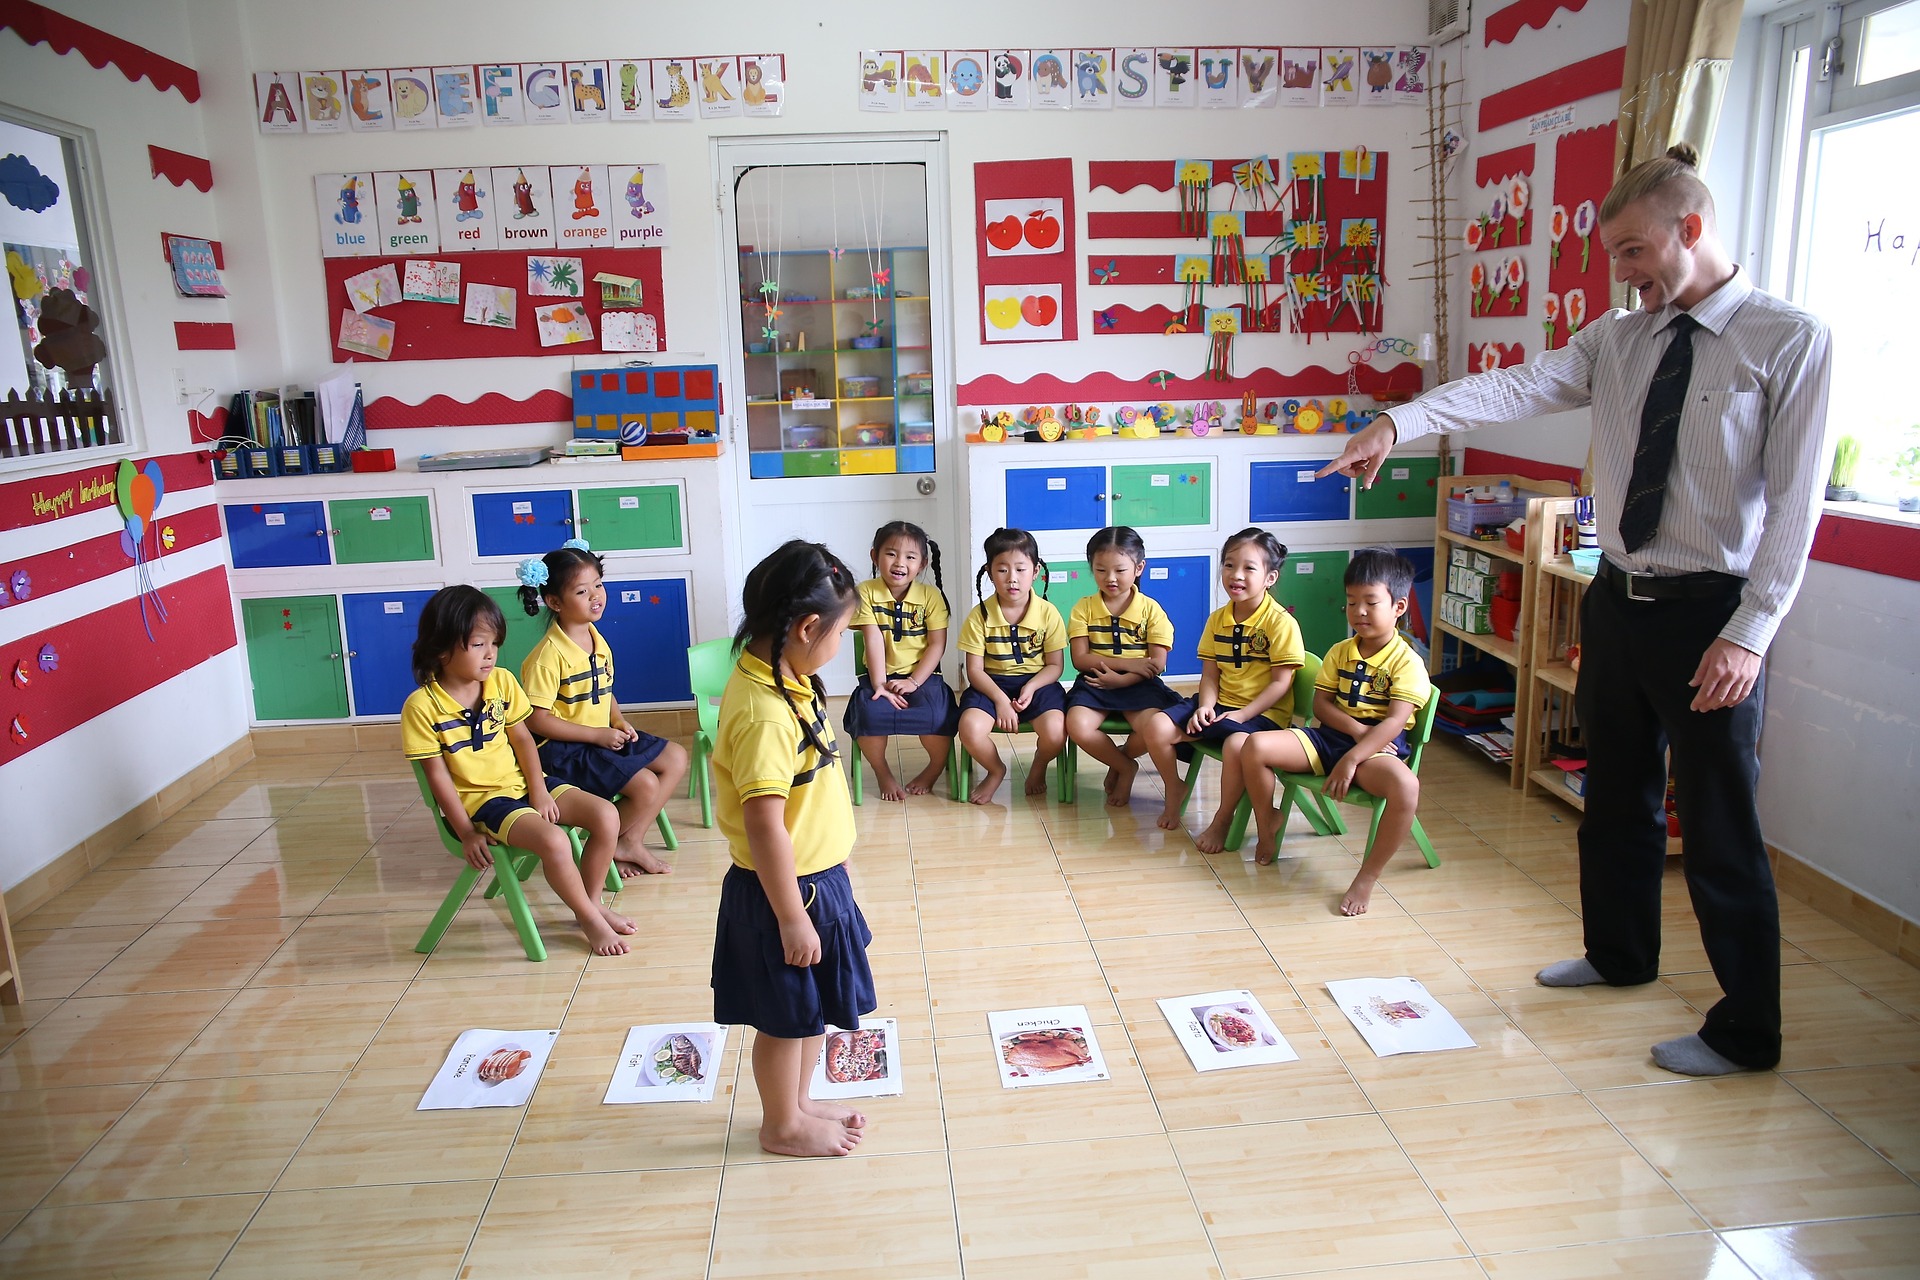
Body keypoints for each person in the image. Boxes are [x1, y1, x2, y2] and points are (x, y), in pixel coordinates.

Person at [1319, 144, 1832, 1074]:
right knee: (1616, 797)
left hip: (1710, 611)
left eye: (1635, 252)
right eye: (1615, 257)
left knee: (1718, 826)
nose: (1623, 274)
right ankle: (1621, 954)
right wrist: (1400, 422)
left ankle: (1747, 1031)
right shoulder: (1619, 338)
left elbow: (1797, 509)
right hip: (1617, 601)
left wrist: (1750, 633)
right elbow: (1511, 385)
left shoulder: (1788, 339)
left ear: (1692, 228)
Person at [710, 540, 876, 1157]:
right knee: (784, 1018)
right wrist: (791, 915)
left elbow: (810, 797)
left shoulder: (789, 679)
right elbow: (764, 826)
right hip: (783, 893)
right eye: (841, 634)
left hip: (815, 879)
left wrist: (836, 862)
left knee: (810, 1010)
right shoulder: (764, 714)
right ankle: (781, 1123)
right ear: (807, 627)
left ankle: (799, 1104)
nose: (842, 646)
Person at [401, 585, 631, 956]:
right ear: (441, 649)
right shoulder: (422, 707)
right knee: (555, 841)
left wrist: (539, 790)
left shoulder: (502, 681)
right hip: (484, 803)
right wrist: (464, 833)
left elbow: (524, 741)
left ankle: (591, 903)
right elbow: (437, 777)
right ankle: (589, 918)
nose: (490, 654)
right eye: (478, 645)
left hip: (527, 784)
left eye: (494, 643)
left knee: (606, 814)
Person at [1241, 550, 1430, 913]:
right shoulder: (1340, 651)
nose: (1358, 611)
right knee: (1255, 746)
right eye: (1351, 602)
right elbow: (1321, 706)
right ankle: (1268, 825)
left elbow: (1393, 723)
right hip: (1331, 737)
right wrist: (1354, 731)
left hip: (1376, 750)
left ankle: (1367, 877)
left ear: (1399, 606)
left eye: (1370, 602)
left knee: (1406, 786)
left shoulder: (1407, 662)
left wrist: (1353, 758)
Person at [517, 542, 690, 876]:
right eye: (582, 591)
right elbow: (536, 720)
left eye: (598, 584)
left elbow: (604, 688)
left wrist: (618, 719)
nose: (596, 595)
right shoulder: (547, 656)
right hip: (565, 750)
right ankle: (606, 843)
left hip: (601, 738)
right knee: (645, 786)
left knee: (676, 758)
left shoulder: (596, 637)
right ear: (554, 602)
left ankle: (630, 841)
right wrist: (596, 735)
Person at [1141, 527, 1304, 846]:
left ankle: (1223, 818)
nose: (1235, 575)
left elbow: (1281, 684)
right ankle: (1175, 788)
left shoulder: (1281, 623)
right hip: (1220, 704)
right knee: (1157, 726)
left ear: (1270, 578)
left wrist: (1243, 714)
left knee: (1235, 745)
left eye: (1248, 568)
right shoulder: (1218, 619)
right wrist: (1204, 705)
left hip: (1263, 713)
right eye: (1229, 565)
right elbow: (1211, 674)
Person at [1063, 526, 1180, 808]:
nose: (1110, 578)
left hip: (1139, 685)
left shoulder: (1152, 610)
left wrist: (1124, 680)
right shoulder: (1083, 608)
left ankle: (1122, 758)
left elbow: (1157, 664)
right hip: (1096, 683)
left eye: (1120, 570)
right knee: (1077, 725)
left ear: (1139, 568)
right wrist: (1127, 666)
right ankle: (1126, 767)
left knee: (1154, 727)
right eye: (1101, 570)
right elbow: (1080, 659)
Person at [844, 521, 959, 800]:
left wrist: (913, 681)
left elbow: (937, 644)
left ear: (922, 564)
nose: (900, 563)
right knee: (869, 713)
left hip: (923, 677)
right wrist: (880, 684)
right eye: (891, 553)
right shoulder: (866, 593)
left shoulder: (931, 596)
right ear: (875, 556)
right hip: (879, 676)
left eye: (910, 557)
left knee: (938, 714)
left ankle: (934, 769)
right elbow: (873, 640)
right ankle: (883, 773)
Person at [955, 527, 1068, 805]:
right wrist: (1001, 701)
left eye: (1020, 569)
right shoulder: (978, 616)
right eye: (1002, 570)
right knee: (969, 728)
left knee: (1056, 732)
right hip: (990, 684)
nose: (1012, 579)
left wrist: (1031, 686)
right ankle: (996, 770)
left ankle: (1039, 766)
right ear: (990, 573)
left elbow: (1055, 666)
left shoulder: (1048, 613)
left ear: (1036, 570)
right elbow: (975, 671)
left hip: (1038, 683)